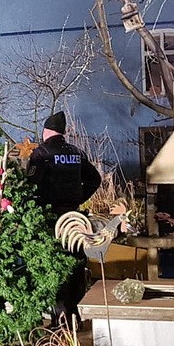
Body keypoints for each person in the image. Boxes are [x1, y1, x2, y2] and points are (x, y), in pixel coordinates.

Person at [26, 111, 102, 325]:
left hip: (52, 220)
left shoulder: (42, 153)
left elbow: (30, 186)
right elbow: (94, 179)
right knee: (76, 263)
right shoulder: (76, 152)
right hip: (76, 218)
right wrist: (79, 197)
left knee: (55, 263)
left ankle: (60, 316)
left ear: (46, 131)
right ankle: (76, 313)